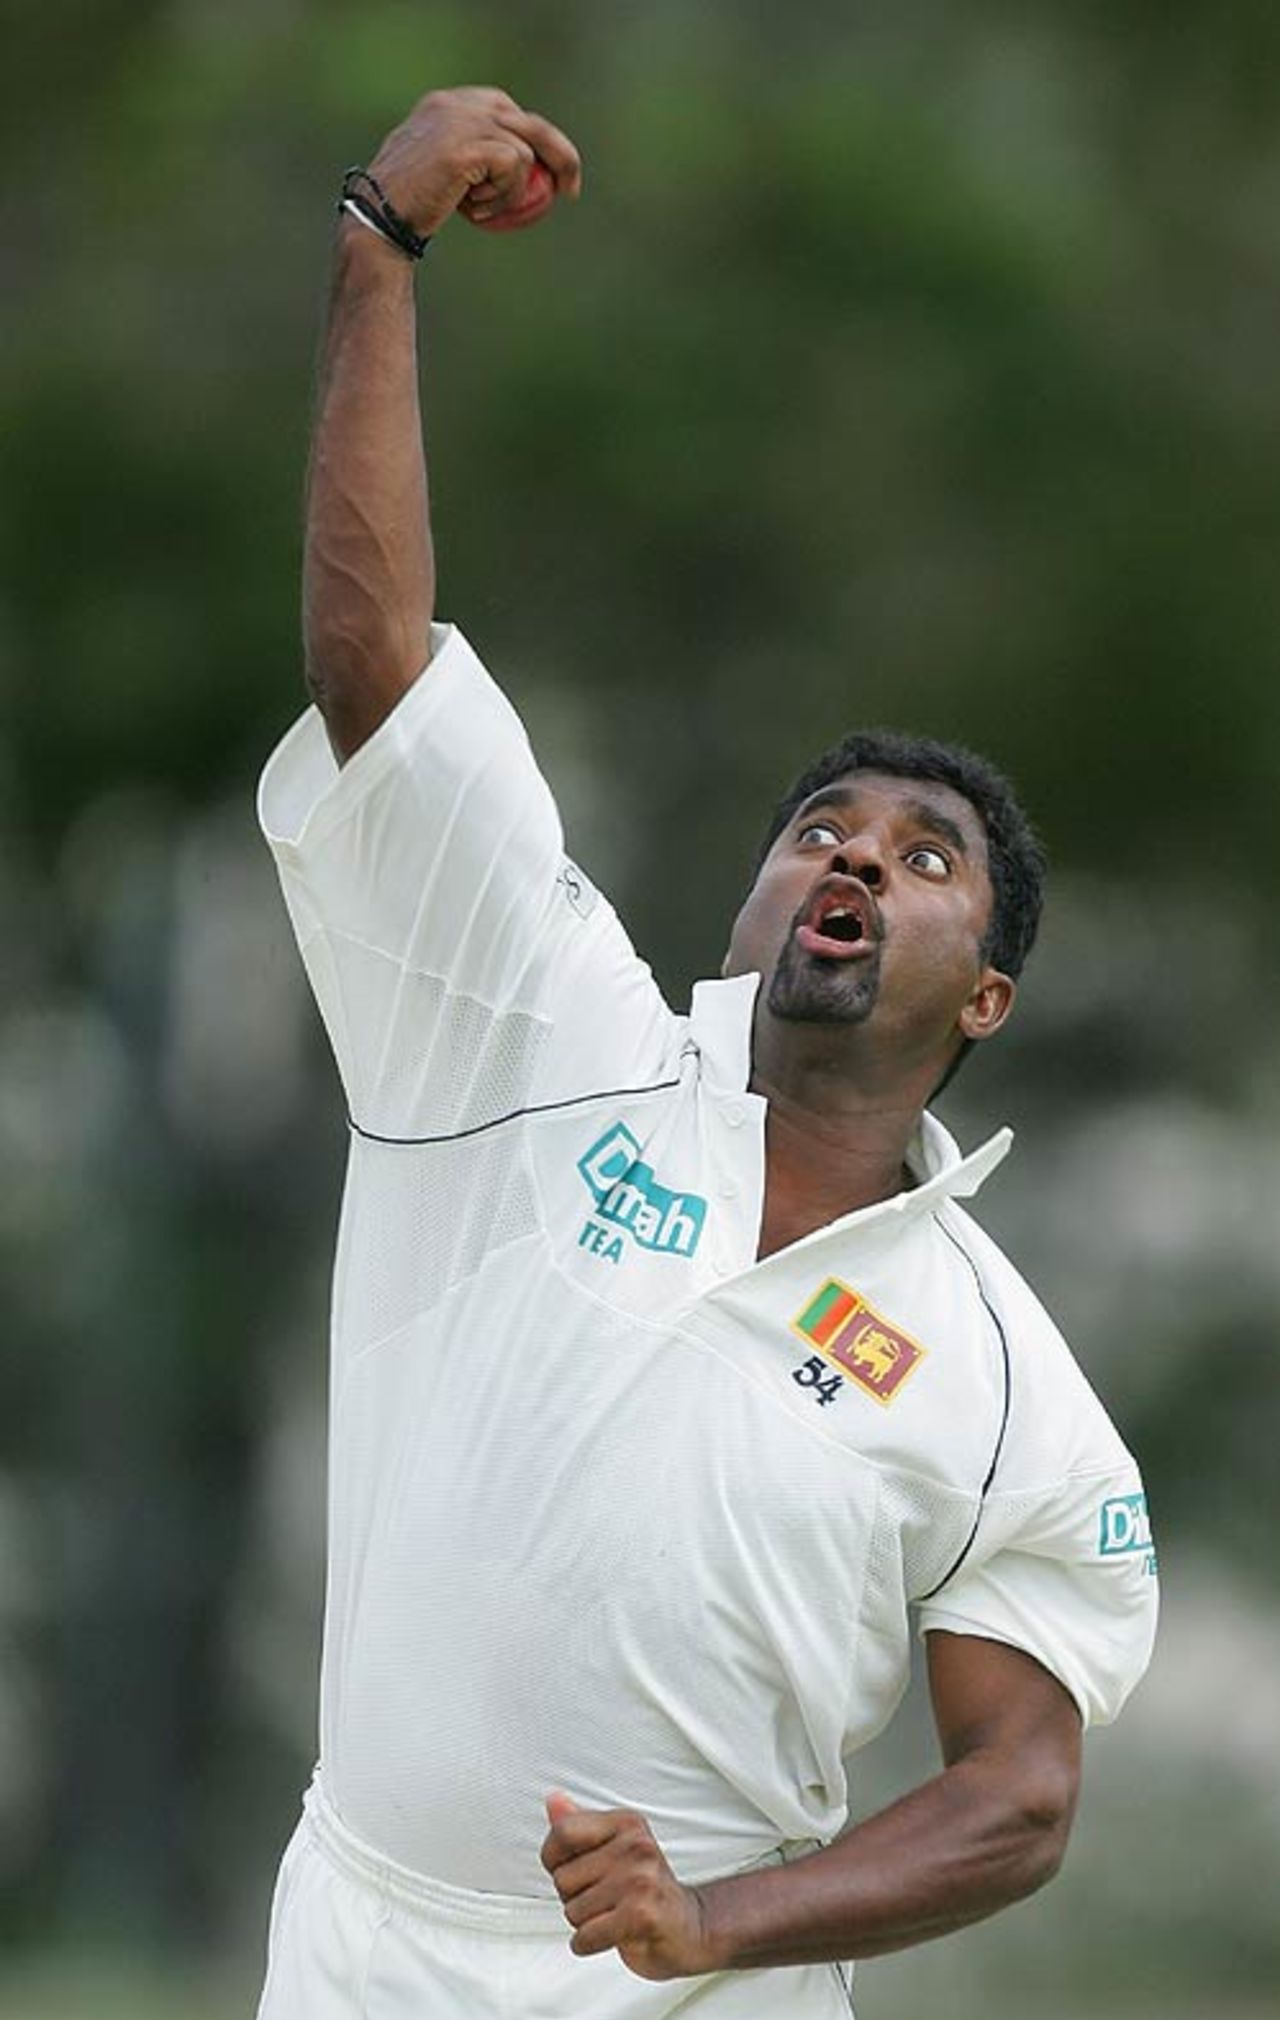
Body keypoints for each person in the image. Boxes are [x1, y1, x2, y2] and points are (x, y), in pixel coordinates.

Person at [255, 85, 1157, 2020]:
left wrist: (709, 1927)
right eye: (824, 826)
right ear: (760, 896)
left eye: (927, 863)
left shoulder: (1004, 1380)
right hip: (363, 1953)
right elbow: (374, 661)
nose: (856, 857)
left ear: (981, 997)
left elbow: (1022, 1792)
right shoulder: (529, 1018)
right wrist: (377, 247)